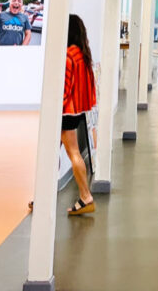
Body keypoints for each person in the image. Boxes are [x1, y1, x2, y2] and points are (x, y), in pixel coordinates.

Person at [61, 14, 97, 216]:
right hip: (76, 111)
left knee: (73, 153)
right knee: (50, 155)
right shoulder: (83, 54)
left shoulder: (68, 55)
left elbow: (64, 90)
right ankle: (42, 195)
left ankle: (85, 196)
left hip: (65, 111)